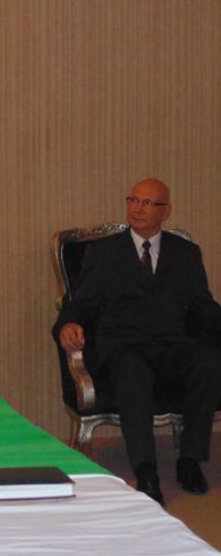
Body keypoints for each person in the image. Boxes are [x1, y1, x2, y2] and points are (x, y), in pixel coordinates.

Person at [53, 178, 221, 506]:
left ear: (165, 211)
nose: (137, 208)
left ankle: (190, 460)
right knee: (132, 370)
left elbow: (203, 306)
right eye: (133, 200)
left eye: (147, 203)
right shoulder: (104, 252)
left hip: (172, 346)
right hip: (124, 346)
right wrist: (67, 324)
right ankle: (146, 471)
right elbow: (81, 303)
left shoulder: (186, 253)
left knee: (209, 362)